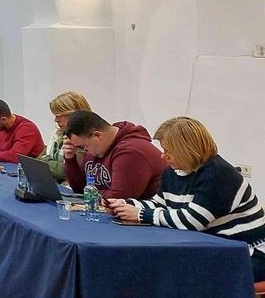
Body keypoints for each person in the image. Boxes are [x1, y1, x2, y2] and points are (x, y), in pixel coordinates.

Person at [108, 117, 265, 282]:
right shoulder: (172, 172)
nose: (163, 156)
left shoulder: (219, 174)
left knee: (176, 272)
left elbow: (193, 220)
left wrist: (141, 215)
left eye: (168, 151)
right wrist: (125, 204)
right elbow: (159, 204)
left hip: (248, 253)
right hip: (216, 248)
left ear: (186, 149)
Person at [63, 110, 165, 200]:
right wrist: (70, 158)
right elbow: (80, 190)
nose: (85, 151)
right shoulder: (97, 148)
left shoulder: (131, 152)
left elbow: (118, 199)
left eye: (83, 146)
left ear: (98, 135)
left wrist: (91, 193)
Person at [38, 91, 91, 181]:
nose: (56, 120)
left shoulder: (85, 138)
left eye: (59, 115)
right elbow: (37, 161)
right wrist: (53, 165)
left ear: (75, 114)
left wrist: (46, 161)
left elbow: (65, 171)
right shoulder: (58, 134)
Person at [0, 98, 45, 163]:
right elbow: (4, 147)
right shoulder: (2, 126)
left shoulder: (27, 129)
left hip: (29, 168)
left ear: (3, 119)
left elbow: (15, 157)